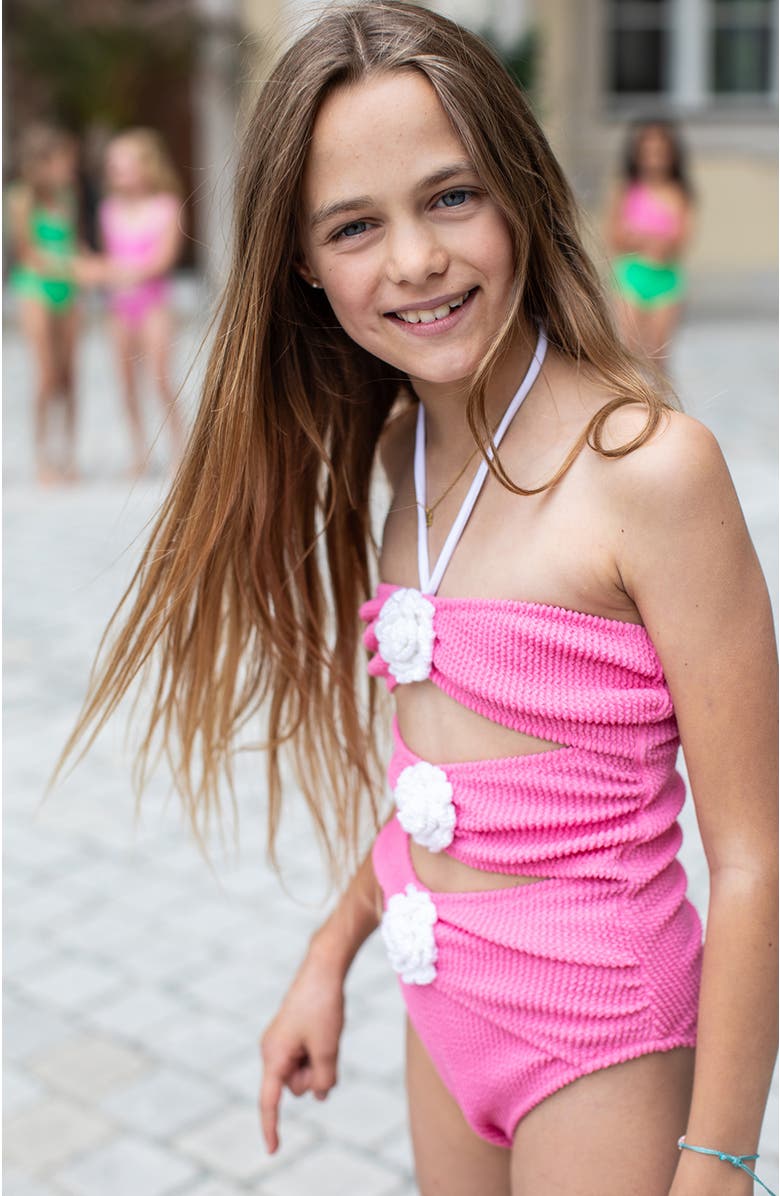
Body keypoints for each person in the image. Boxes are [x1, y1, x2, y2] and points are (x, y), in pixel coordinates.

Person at [55, 5, 777, 1194]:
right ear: (299, 259)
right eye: (355, 224)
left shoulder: (649, 469)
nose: (416, 261)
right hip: (440, 1014)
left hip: (599, 1038)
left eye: (451, 197)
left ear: (521, 192)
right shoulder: (403, 463)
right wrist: (327, 953)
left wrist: (719, 1160)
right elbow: (439, 788)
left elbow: (757, 855)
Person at [96, 128, 186, 476]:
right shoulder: (109, 210)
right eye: (112, 165)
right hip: (119, 308)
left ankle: (180, 447)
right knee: (127, 382)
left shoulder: (166, 207)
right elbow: (108, 256)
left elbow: (162, 261)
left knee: (161, 379)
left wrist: (112, 272)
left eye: (123, 163)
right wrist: (108, 273)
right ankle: (139, 453)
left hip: (153, 307)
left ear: (146, 166)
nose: (115, 170)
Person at [6, 124, 92, 483]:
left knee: (70, 375)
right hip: (36, 289)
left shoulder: (68, 196)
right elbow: (26, 252)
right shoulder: (20, 198)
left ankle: (69, 456)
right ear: (43, 163)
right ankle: (42, 458)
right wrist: (75, 267)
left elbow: (74, 244)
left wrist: (92, 265)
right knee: (44, 377)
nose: (69, 168)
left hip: (68, 289)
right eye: (62, 161)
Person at [606, 120, 694, 367]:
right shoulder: (627, 191)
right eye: (647, 151)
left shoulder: (679, 193)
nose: (654, 158)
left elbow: (679, 241)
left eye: (660, 151)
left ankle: (659, 403)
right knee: (629, 352)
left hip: (666, 281)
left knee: (659, 355)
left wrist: (641, 237)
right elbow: (615, 237)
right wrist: (650, 240)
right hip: (633, 277)